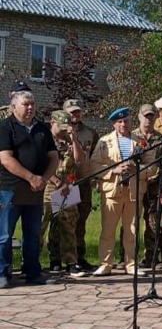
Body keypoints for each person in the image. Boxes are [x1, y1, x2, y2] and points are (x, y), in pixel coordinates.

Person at [0, 91, 59, 287]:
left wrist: (44, 178)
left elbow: (54, 157)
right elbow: (6, 159)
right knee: (5, 234)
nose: (30, 107)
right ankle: (3, 272)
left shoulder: (42, 128)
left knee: (33, 233)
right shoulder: (6, 127)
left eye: (32, 103)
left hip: (36, 189)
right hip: (11, 189)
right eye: (26, 104)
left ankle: (32, 272)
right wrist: (31, 177)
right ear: (14, 106)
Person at [89, 108, 154, 276]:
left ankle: (131, 263)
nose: (123, 124)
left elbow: (153, 166)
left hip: (133, 191)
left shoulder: (140, 142)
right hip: (112, 191)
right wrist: (114, 170)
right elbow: (93, 166)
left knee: (132, 229)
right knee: (108, 230)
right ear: (114, 124)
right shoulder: (104, 142)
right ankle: (105, 264)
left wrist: (137, 169)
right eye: (119, 122)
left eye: (126, 121)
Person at [42, 111, 87, 277]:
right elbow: (41, 164)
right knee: (44, 224)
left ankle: (71, 262)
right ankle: (38, 262)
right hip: (48, 185)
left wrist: (74, 139)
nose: (63, 131)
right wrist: (56, 182)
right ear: (52, 123)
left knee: (68, 224)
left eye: (66, 128)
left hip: (68, 186)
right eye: (60, 128)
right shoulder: (44, 139)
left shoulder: (70, 140)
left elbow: (80, 159)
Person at [63, 98, 99, 269]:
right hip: (65, 184)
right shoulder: (58, 131)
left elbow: (93, 156)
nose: (75, 115)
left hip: (83, 183)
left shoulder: (90, 132)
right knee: (63, 222)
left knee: (81, 221)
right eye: (71, 112)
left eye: (77, 111)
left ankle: (80, 256)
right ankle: (59, 258)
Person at [133, 104, 162, 270]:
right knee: (132, 221)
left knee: (153, 221)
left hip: (153, 185)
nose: (148, 119)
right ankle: (129, 257)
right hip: (135, 184)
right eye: (145, 116)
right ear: (139, 117)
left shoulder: (160, 139)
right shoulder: (131, 137)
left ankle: (151, 256)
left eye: (151, 116)